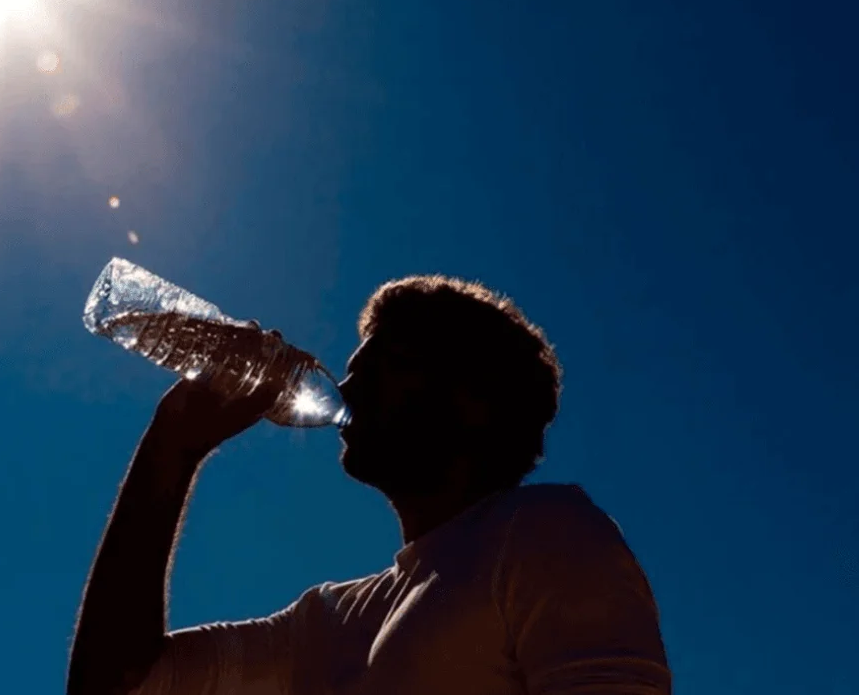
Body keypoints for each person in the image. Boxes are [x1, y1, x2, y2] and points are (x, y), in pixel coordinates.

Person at [67, 275, 671, 695]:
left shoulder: (547, 531)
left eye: (379, 371)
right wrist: (173, 444)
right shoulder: (330, 622)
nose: (347, 392)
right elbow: (119, 684)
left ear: (471, 401)